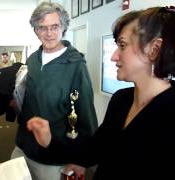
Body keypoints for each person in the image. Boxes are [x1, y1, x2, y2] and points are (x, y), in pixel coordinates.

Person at [27, 6, 175, 180]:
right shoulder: (122, 99)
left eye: (122, 45)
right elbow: (94, 150)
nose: (114, 56)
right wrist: (50, 141)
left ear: (155, 49)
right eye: (43, 28)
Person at [10, 2, 98, 180]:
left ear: (63, 28)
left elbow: (85, 113)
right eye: (42, 28)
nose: (49, 33)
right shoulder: (33, 59)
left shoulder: (76, 65)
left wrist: (82, 158)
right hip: (23, 148)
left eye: (54, 27)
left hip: (53, 157)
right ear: (35, 30)